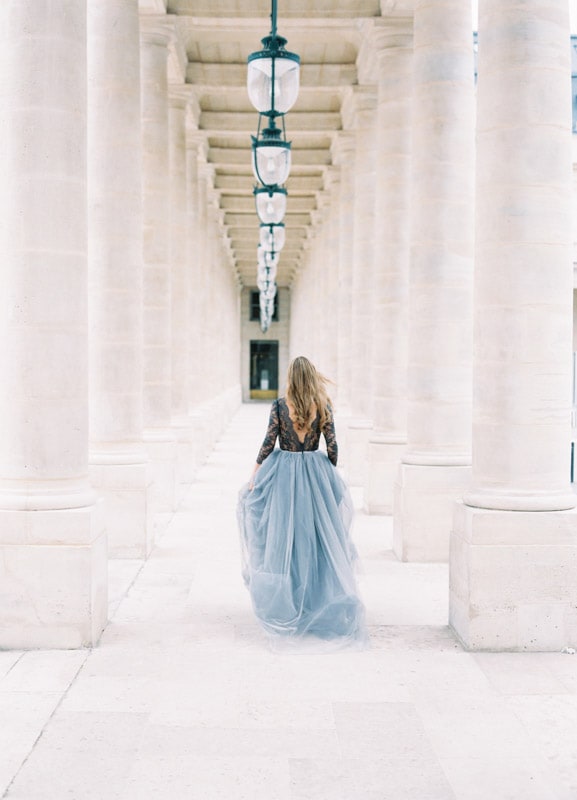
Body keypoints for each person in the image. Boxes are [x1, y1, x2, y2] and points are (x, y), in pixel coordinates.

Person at [237, 356, 367, 647]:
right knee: (318, 541)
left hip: (284, 474)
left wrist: (255, 474)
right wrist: (325, 471)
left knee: (284, 540)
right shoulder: (323, 405)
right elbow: (333, 448)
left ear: (291, 378)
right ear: (312, 377)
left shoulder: (280, 405)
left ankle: (289, 604)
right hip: (315, 475)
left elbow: (268, 443)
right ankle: (316, 601)